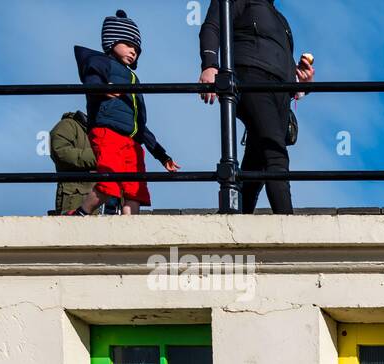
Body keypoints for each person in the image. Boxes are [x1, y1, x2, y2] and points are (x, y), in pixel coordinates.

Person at [198, 0, 314, 214]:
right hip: (251, 77)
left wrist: (302, 83)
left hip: (281, 91)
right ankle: (287, 222)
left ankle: (238, 215)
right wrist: (210, 64)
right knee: (274, 152)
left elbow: (279, 56)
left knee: (257, 160)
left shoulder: (281, 19)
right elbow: (212, 26)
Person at [70, 10, 180, 216]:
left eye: (137, 49)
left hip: (132, 141)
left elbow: (140, 124)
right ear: (112, 41)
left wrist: (162, 155)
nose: (133, 51)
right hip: (108, 133)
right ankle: (80, 214)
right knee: (108, 183)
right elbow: (91, 82)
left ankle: (131, 227)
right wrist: (102, 89)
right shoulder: (100, 62)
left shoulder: (133, 79)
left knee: (135, 189)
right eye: (128, 45)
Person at [49, 111, 98, 215]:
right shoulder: (67, 125)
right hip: (76, 198)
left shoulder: (104, 129)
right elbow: (61, 153)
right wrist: (100, 157)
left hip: (107, 199)